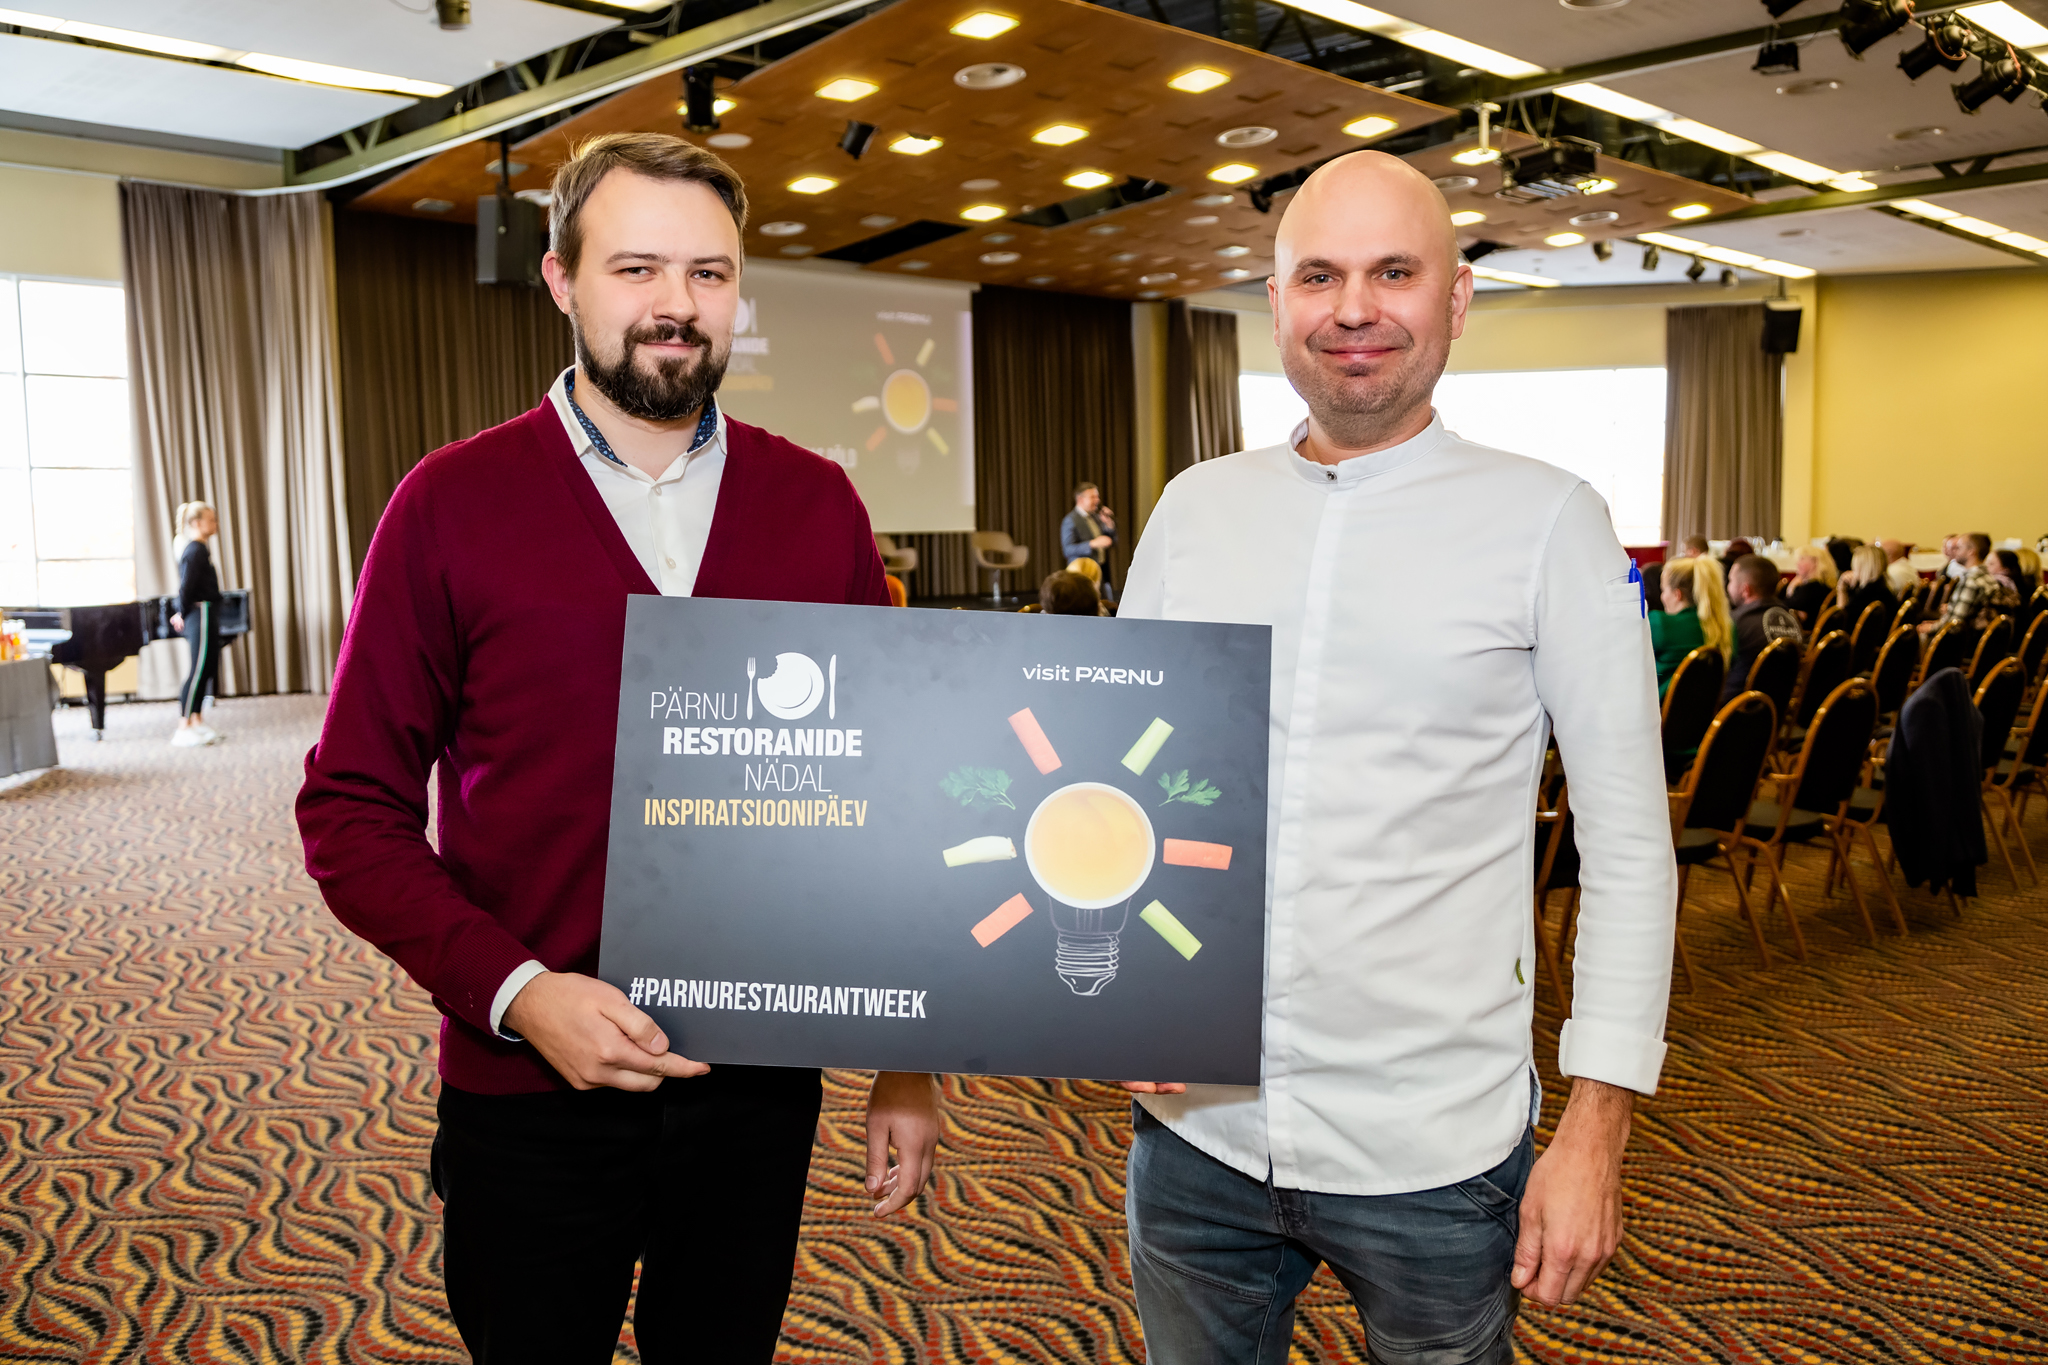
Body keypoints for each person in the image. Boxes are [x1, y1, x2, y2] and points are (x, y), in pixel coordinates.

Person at [295, 134, 940, 1365]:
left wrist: (909, 1061)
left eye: (708, 273)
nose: (673, 305)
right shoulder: (448, 505)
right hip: (529, 1088)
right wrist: (517, 992)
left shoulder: (817, 506)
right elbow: (349, 811)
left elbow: (894, 799)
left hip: (755, 1086)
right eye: (636, 268)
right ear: (561, 280)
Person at [1117, 150, 1676, 1363]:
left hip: (1434, 1149)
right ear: (1275, 301)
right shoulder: (1193, 510)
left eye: (1392, 273)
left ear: (1455, 298)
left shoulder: (1549, 521)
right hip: (1195, 1133)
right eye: (1318, 276)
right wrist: (1120, 1001)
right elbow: (1123, 788)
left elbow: (1629, 848)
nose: (1353, 309)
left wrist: (1595, 1130)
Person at [169, 500, 224, 748]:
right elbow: (186, 586)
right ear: (196, 523)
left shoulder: (201, 549)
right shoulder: (194, 550)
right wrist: (180, 612)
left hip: (208, 612)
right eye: (211, 520)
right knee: (198, 669)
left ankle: (197, 720)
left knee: (208, 667)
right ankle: (183, 726)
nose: (215, 524)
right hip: (199, 613)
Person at [1721, 554, 1803, 703]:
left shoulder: (1734, 622)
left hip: (1735, 707)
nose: (1728, 586)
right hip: (1779, 706)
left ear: (1746, 590)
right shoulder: (1792, 619)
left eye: (1731, 580)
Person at [1651, 556, 1731, 696]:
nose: (1662, 597)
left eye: (1663, 590)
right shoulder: (1725, 629)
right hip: (1708, 709)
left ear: (1677, 594)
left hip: (1660, 708)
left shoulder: (1660, 624)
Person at [1921, 532, 2015, 638]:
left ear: (1971, 552)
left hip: (1966, 640)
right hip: (1981, 636)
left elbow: (1955, 624)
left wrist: (1931, 628)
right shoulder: (1987, 576)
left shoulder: (1972, 580)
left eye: (1959, 548)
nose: (1956, 551)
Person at [1060, 482, 1116, 599]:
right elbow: (1068, 549)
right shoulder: (1070, 520)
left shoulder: (1096, 517)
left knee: (1107, 604)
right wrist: (1092, 544)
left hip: (1100, 571)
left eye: (1097, 497)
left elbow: (1110, 541)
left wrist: (1109, 526)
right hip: (1083, 575)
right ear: (1080, 499)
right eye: (1093, 497)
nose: (1097, 500)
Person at [1835, 544, 1896, 634]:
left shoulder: (1867, 595)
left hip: (1864, 641)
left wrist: (1841, 590)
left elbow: (1840, 622)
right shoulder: (1882, 588)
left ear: (1863, 567)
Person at [1783, 546, 1837, 630]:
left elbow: (1783, 609)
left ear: (1815, 562)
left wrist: (1791, 589)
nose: (1797, 563)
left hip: (1806, 633)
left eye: (1802, 559)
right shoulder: (1825, 585)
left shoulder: (1810, 589)